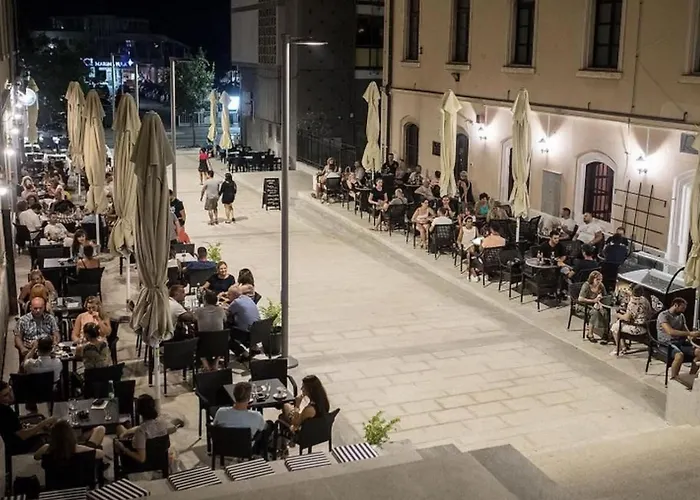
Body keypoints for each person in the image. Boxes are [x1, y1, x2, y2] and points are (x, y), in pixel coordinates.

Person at [0, 381, 57, 456]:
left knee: (45, 426)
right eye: (5, 395)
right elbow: (23, 436)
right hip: (20, 445)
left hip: (16, 437)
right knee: (57, 438)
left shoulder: (5, 407)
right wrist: (44, 423)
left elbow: (15, 427)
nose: (11, 396)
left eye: (10, 390)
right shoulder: (6, 412)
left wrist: (38, 427)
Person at [114, 395, 173, 464]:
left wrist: (123, 448)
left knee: (119, 431)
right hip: (160, 459)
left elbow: (141, 458)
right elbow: (167, 444)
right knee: (122, 428)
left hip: (142, 464)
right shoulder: (163, 423)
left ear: (138, 411)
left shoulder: (141, 431)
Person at [656, 298, 700, 383]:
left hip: (680, 342)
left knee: (699, 352)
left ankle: (691, 375)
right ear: (675, 305)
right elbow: (670, 331)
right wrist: (689, 333)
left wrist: (692, 336)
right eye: (682, 308)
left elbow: (686, 331)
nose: (683, 310)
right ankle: (674, 377)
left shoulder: (681, 316)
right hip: (666, 343)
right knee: (679, 355)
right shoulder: (663, 315)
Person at [34, 420, 105, 461]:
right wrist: (85, 447)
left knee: (97, 430)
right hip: (80, 474)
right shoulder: (78, 448)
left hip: (56, 480)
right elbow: (101, 454)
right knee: (100, 429)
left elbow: (36, 456)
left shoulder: (47, 448)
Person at [611, 284, 652, 353]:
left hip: (637, 328)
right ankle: (623, 346)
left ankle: (618, 347)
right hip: (646, 325)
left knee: (614, 327)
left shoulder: (633, 302)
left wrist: (617, 315)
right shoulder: (645, 300)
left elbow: (626, 318)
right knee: (618, 323)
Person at [15, 297, 60, 361]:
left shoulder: (50, 318)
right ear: (30, 307)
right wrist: (22, 348)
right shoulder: (22, 320)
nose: (38, 311)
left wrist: (55, 342)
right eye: (35, 308)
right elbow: (18, 337)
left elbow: (56, 334)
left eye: (40, 308)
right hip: (29, 349)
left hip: (47, 350)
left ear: (44, 307)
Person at [577, 271, 608, 342]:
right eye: (597, 279)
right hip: (584, 305)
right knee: (595, 313)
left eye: (601, 279)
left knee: (605, 312)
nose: (599, 281)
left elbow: (605, 296)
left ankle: (606, 332)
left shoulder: (601, 285)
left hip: (596, 304)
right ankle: (590, 334)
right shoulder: (586, 286)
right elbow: (580, 298)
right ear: (592, 279)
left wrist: (600, 298)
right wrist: (593, 301)